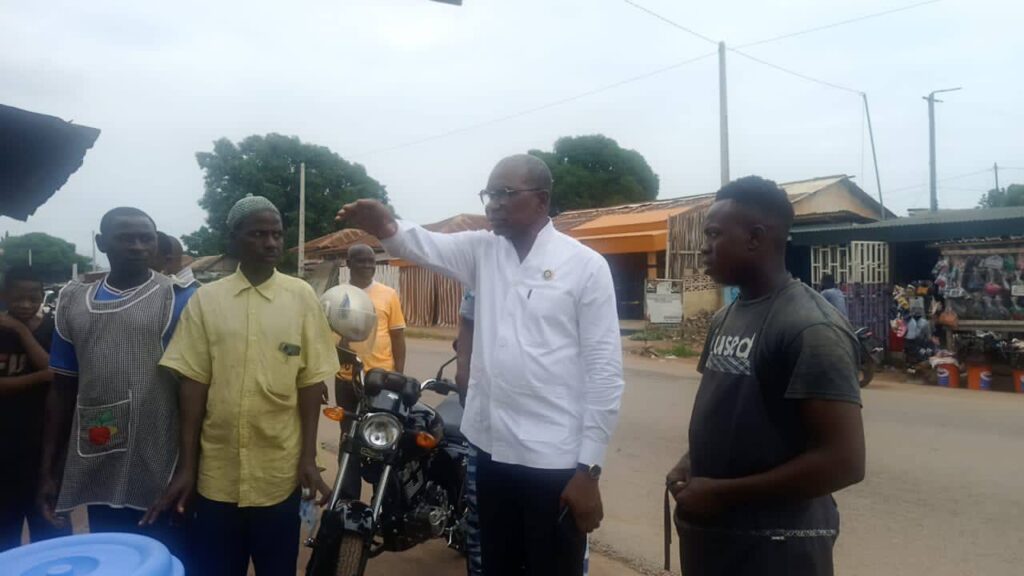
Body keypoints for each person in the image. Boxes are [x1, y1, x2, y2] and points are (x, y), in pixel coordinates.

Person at [338, 154, 625, 576]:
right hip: (490, 452)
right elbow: (425, 246)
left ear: (541, 200)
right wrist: (386, 225)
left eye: (505, 194)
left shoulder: (584, 267)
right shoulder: (483, 252)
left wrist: (589, 470)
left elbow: (605, 373)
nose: (493, 204)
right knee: (492, 565)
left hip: (554, 461)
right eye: (489, 194)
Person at [665, 176, 865, 576]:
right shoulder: (727, 317)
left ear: (756, 237)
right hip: (718, 540)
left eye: (715, 234)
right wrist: (692, 462)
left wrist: (722, 495)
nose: (704, 246)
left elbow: (844, 462)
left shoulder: (810, 327)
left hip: (777, 549)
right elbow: (730, 411)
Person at [152, 195, 340, 576]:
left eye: (277, 234)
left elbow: (309, 384)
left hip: (279, 475)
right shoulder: (206, 300)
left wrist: (308, 458)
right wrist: (187, 467)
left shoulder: (301, 297)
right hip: (217, 477)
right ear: (234, 239)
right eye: (258, 234)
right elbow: (193, 385)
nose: (271, 243)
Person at [39, 207, 195, 553]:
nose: (138, 246)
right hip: (99, 450)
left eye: (146, 238)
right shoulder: (74, 301)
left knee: (165, 555)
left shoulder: (180, 298)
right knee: (113, 550)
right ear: (102, 242)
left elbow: (196, 389)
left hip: (162, 455)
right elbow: (62, 388)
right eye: (126, 238)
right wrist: (49, 469)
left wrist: (190, 466)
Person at [0, 267, 70, 551]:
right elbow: (49, 373)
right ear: (4, 296)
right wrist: (42, 377)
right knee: (6, 535)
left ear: (43, 296)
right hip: (5, 448)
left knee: (53, 535)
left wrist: (20, 331)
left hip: (46, 446)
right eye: (18, 298)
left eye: (33, 298)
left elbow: (54, 370)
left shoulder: (53, 329)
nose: (26, 304)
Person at [334, 243, 407, 500]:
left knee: (383, 439)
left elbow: (397, 337)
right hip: (346, 379)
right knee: (349, 437)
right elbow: (325, 337)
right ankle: (346, 499)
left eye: (371, 261)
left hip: (382, 380)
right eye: (361, 261)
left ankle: (382, 501)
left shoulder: (388, 294)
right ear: (349, 264)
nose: (367, 266)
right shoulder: (338, 296)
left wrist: (399, 375)